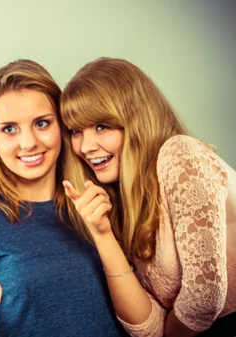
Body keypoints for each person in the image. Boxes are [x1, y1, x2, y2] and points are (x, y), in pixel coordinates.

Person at [0, 59, 128, 337]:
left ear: (62, 127)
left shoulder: (97, 200)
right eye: (9, 129)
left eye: (41, 123)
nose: (28, 142)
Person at [60, 57, 236, 337]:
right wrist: (102, 233)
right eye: (76, 131)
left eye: (102, 126)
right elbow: (146, 328)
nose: (85, 146)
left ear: (136, 118)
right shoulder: (119, 194)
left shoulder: (180, 154)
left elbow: (204, 299)